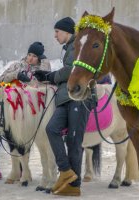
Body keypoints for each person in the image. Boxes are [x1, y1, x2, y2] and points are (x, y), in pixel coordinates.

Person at [33, 17, 92, 196]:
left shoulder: (76, 46)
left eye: (57, 32)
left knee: (74, 142)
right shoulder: (69, 48)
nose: (55, 36)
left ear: (67, 32)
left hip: (79, 99)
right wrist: (50, 76)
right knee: (51, 129)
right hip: (65, 99)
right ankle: (66, 172)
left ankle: (74, 186)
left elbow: (70, 70)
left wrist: (50, 76)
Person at [0, 41, 51, 180]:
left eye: (34, 56)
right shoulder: (17, 65)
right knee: (10, 137)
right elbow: (2, 78)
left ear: (39, 58)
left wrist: (28, 81)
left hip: (30, 110)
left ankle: (34, 171)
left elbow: (42, 88)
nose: (30, 58)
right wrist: (16, 75)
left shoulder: (43, 70)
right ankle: (14, 169)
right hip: (12, 107)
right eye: (29, 54)